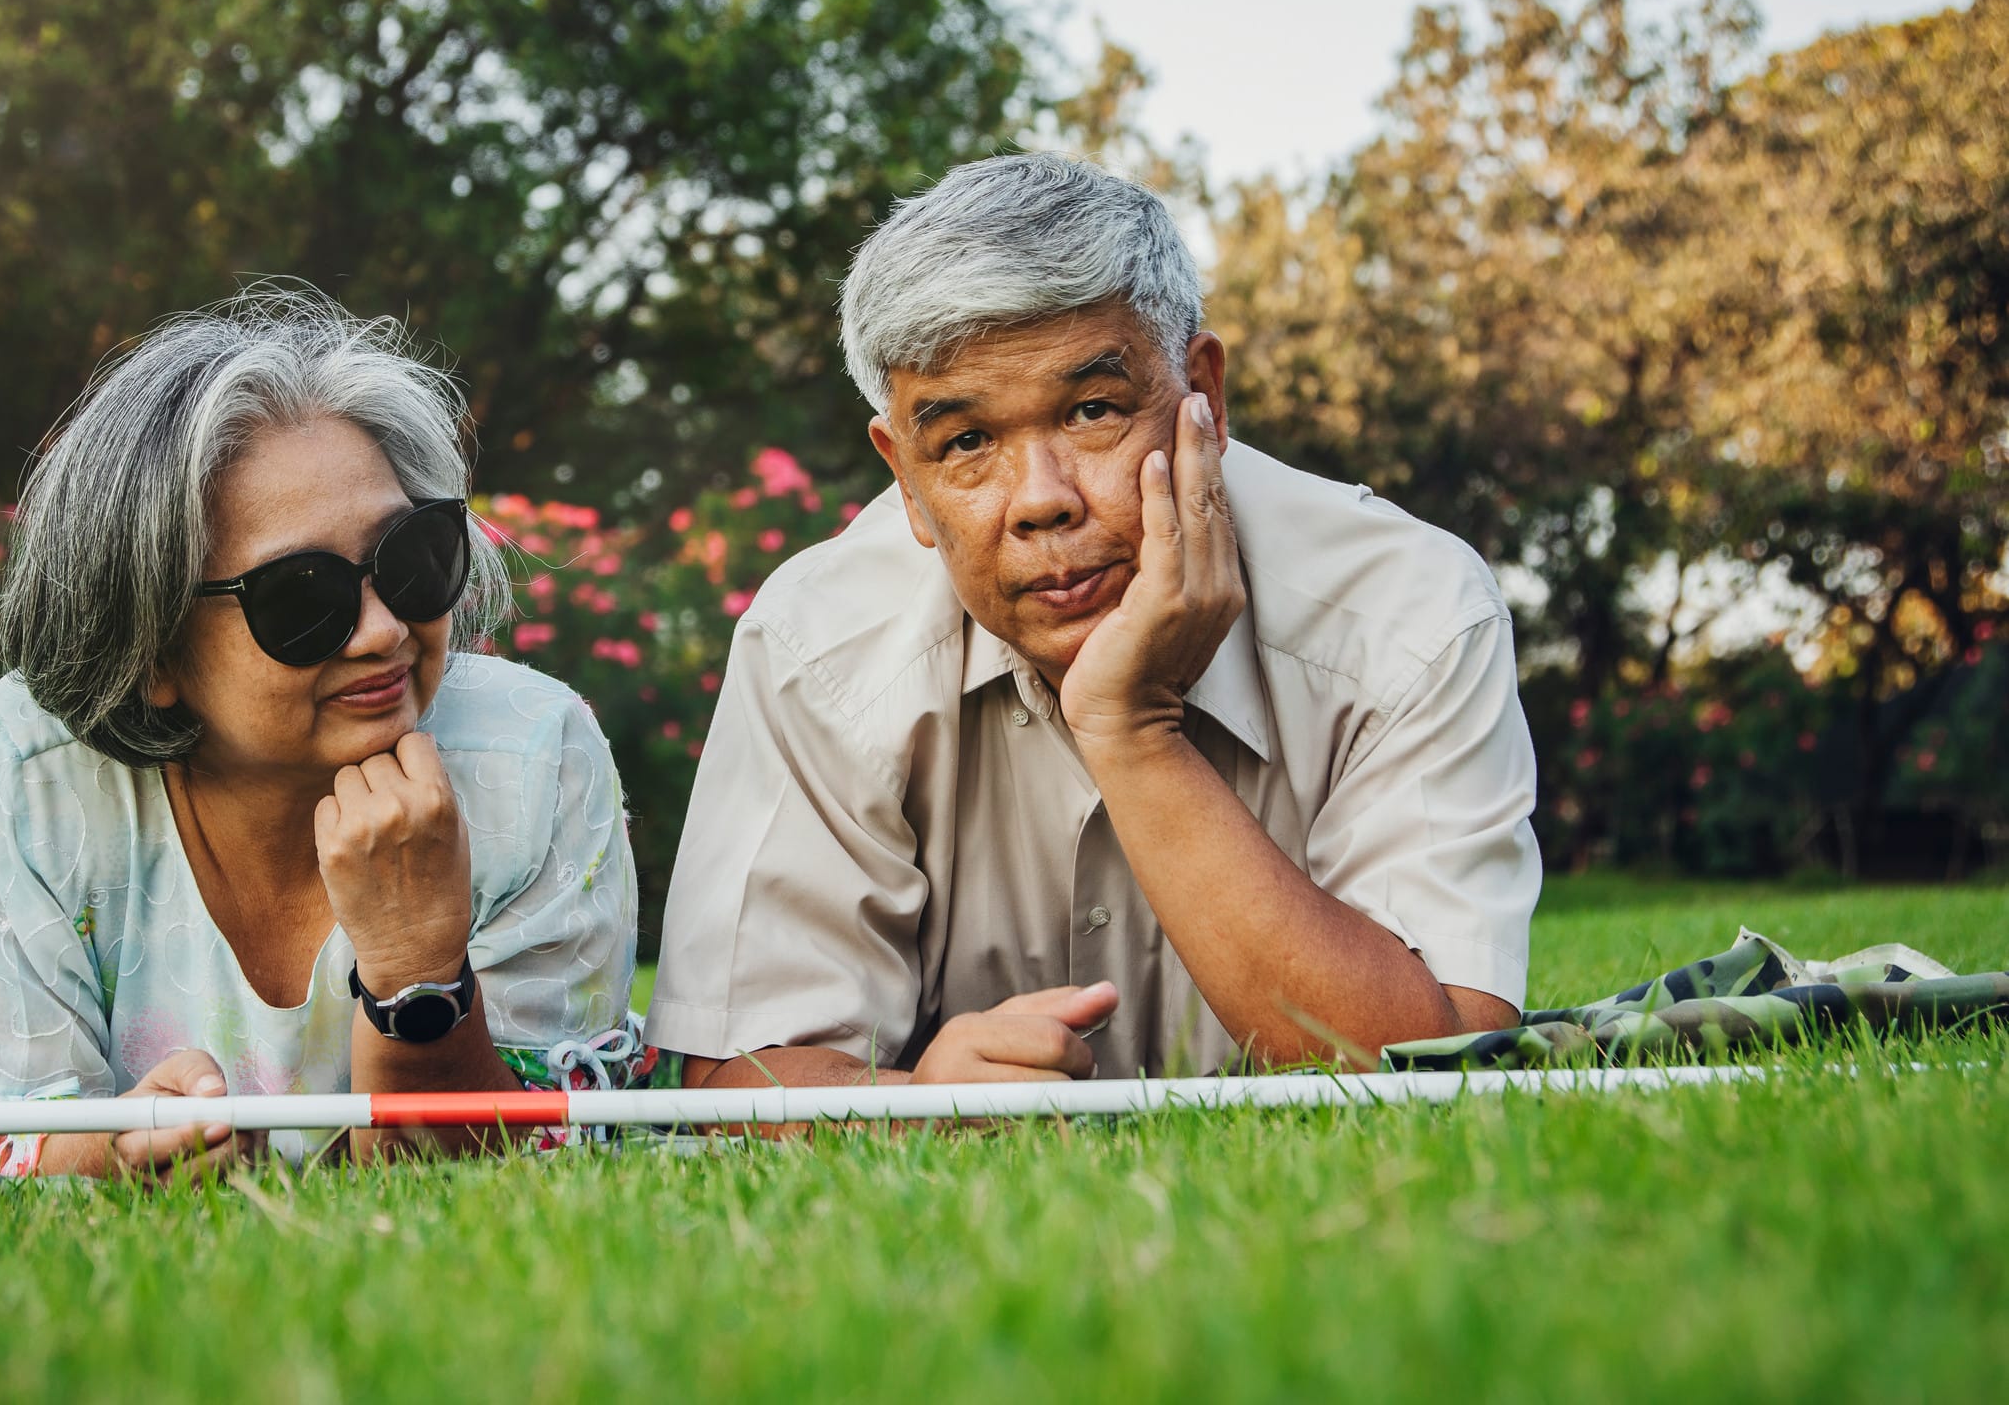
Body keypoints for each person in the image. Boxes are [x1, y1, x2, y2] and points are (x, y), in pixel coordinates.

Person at [647, 152, 1542, 1089]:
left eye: (1091, 412)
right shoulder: (817, 647)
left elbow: (1438, 1072)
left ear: (1206, 394)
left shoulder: (1406, 613)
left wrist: (1133, 731)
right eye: (966, 443)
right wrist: (912, 1103)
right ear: (903, 475)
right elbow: (734, 1079)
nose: (1041, 502)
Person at [0, 293, 653, 1178]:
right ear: (151, 643)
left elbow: (521, 1158)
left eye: (412, 555)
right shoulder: (38, 762)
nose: (383, 630)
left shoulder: (535, 758)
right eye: (302, 597)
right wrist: (113, 1155)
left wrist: (416, 973)